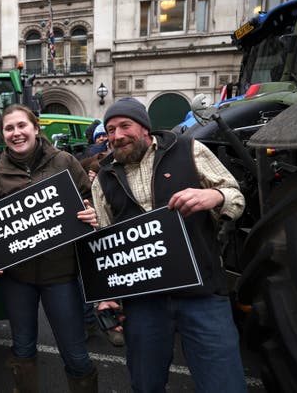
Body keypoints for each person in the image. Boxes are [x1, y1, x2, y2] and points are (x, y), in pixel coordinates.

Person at [91, 97, 247, 392]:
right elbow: (105, 241)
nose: (117, 135)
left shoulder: (189, 150)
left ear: (145, 127)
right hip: (144, 302)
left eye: (125, 126)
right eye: (110, 130)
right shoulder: (104, 178)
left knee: (223, 383)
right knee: (146, 384)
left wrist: (214, 197)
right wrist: (106, 294)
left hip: (203, 293)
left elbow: (235, 195)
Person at [0, 104, 99, 393]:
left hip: (61, 275)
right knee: (22, 348)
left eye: (22, 125)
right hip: (17, 278)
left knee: (75, 352)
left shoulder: (65, 162)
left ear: (36, 128)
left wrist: (92, 213)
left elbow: (92, 200)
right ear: (3, 135)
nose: (16, 133)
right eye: (9, 128)